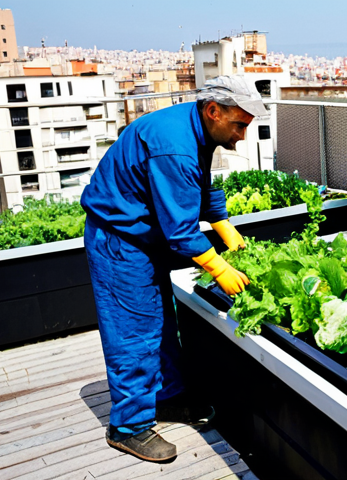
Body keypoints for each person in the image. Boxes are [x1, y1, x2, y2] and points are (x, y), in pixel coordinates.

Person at [80, 75, 266, 462]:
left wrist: (221, 223)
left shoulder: (195, 126)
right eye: (240, 125)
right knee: (135, 330)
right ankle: (128, 427)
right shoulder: (174, 146)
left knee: (161, 320)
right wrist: (218, 266)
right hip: (120, 239)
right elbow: (180, 231)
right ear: (214, 110)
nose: (243, 135)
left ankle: (164, 398)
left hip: (142, 233)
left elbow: (200, 181)